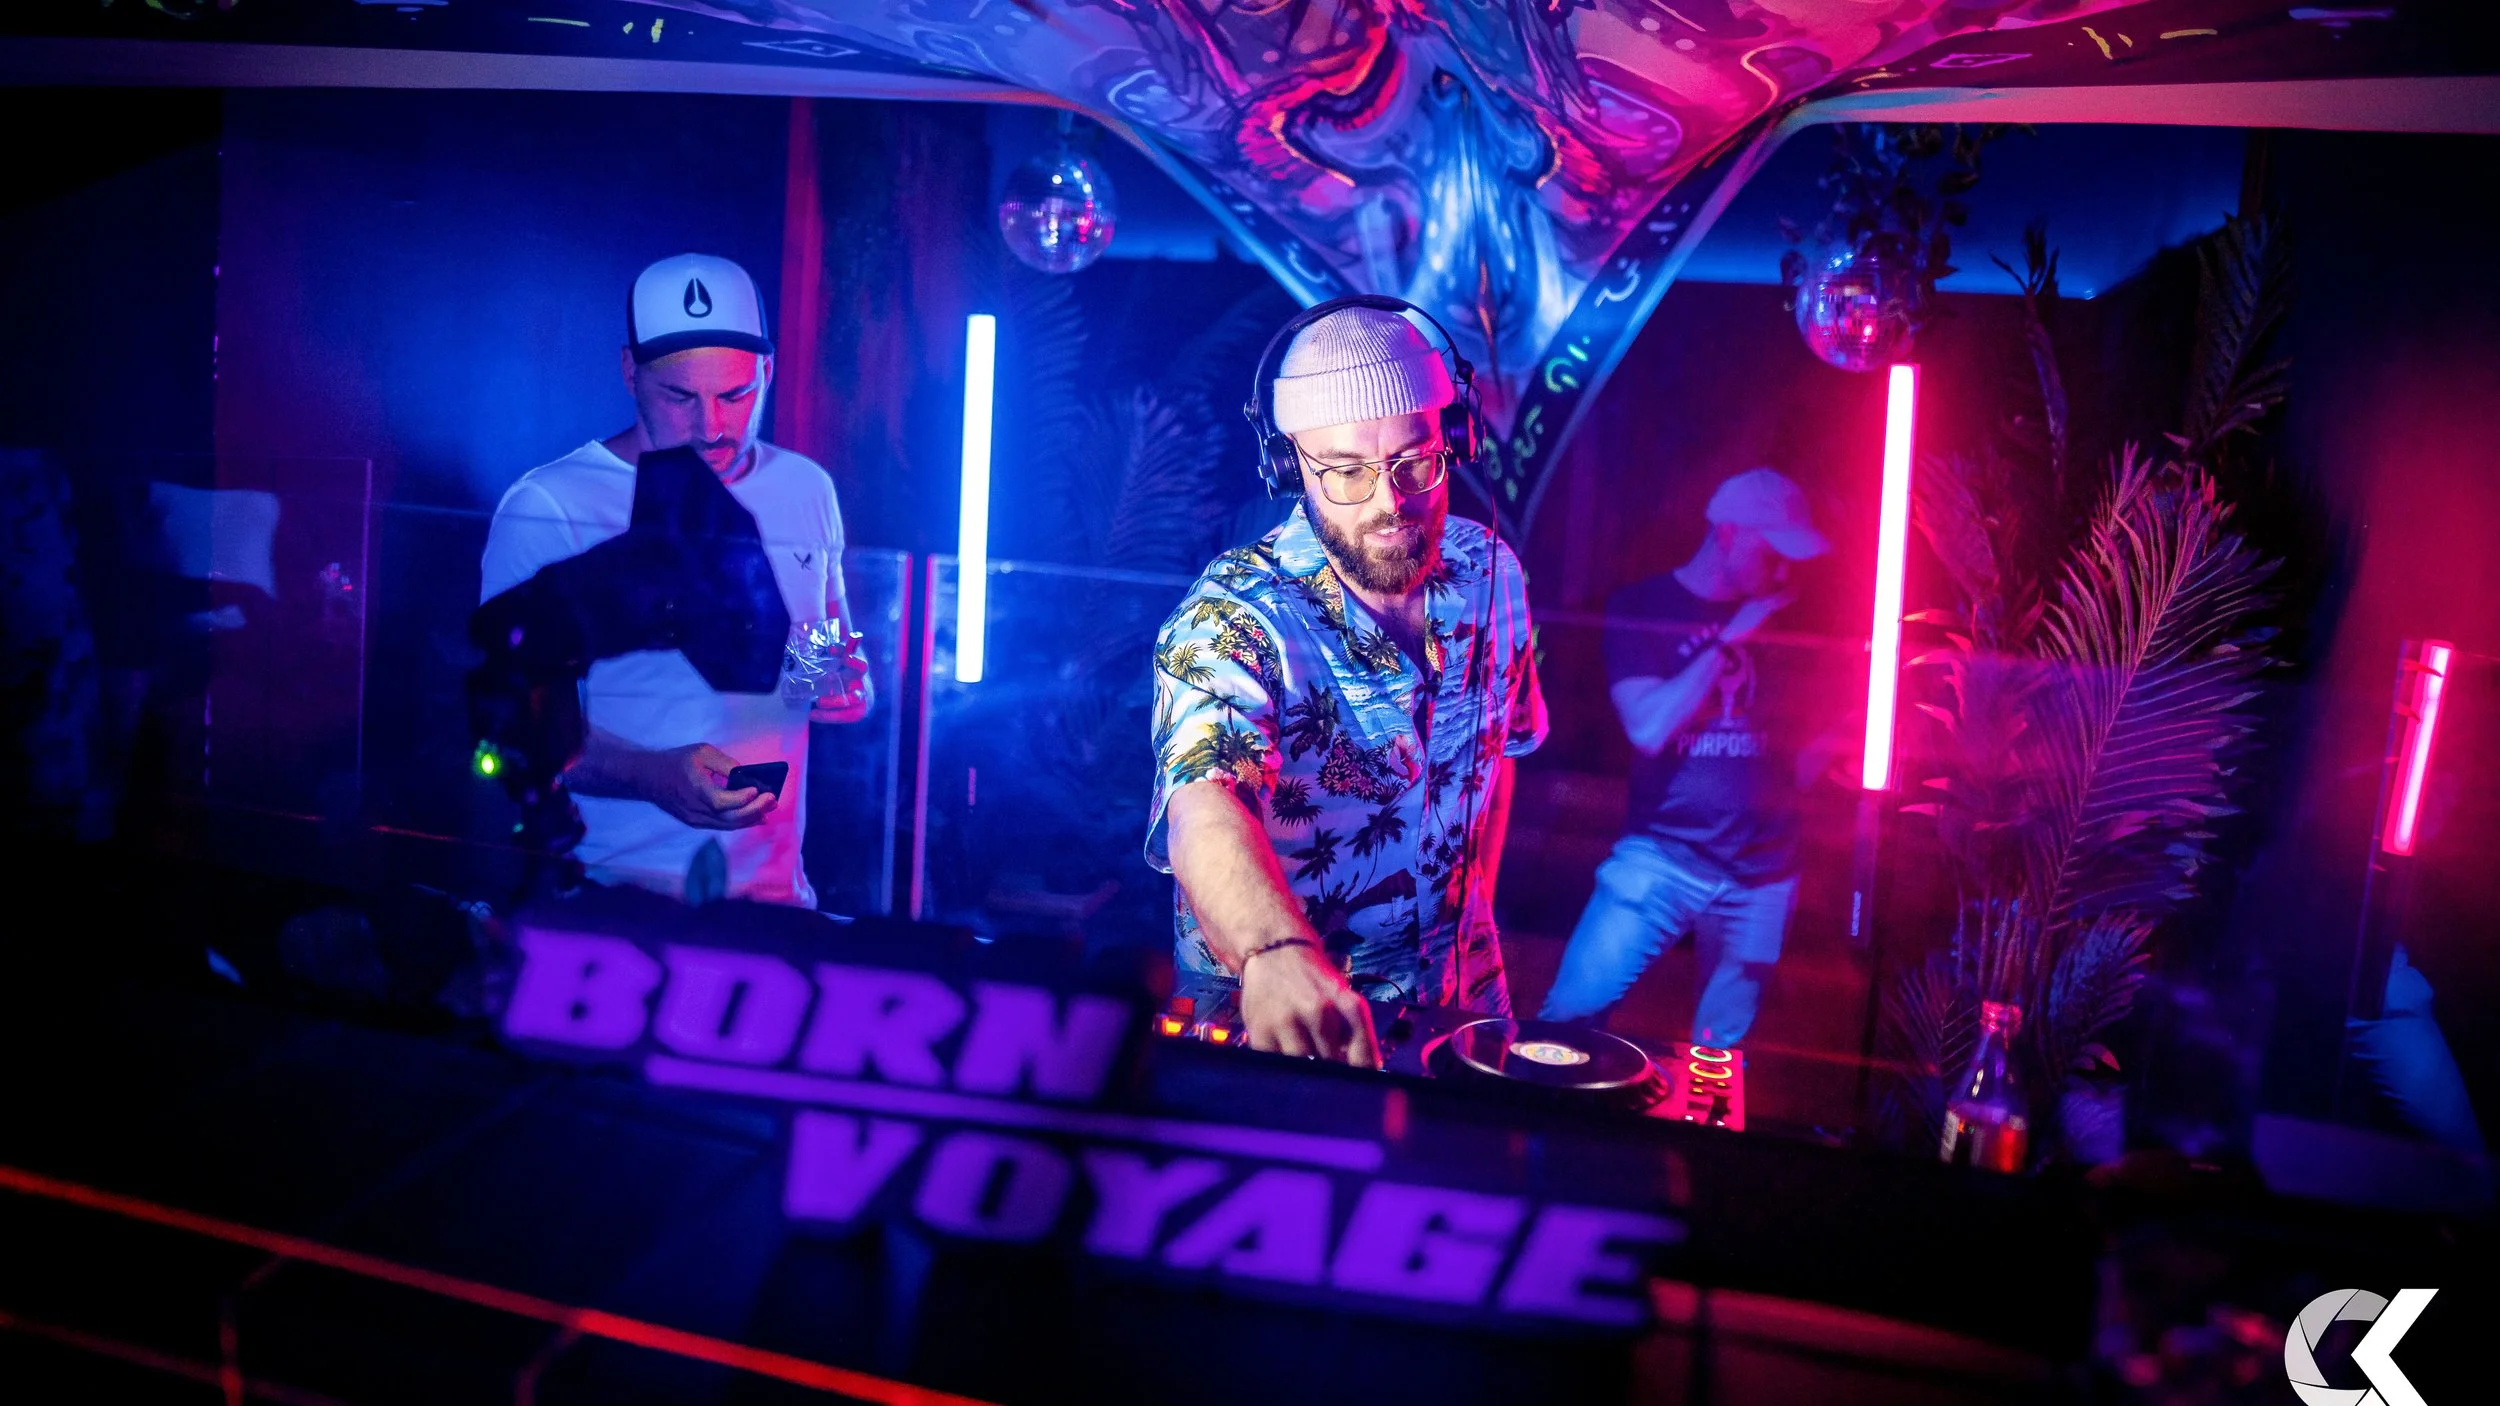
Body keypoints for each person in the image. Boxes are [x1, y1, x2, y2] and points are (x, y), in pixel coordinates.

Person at [1146, 301, 1547, 1066]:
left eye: (1414, 462)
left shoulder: (1493, 574)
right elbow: (1203, 806)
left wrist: (1472, 918)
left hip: (1465, 1015)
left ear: (1453, 440)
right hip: (1290, 1035)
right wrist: (1274, 954)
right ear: (1290, 463)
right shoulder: (1232, 618)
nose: (1388, 502)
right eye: (1346, 472)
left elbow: (1501, 757)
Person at [479, 253, 868, 907]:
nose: (712, 426)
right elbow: (507, 720)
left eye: (736, 395)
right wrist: (651, 773)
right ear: (630, 371)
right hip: (605, 899)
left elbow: (824, 652)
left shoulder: (806, 488)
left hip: (776, 903)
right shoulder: (548, 503)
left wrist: (839, 688)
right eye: (680, 397)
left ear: (767, 373)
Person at [1539, 467, 1834, 1047]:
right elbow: (1648, 726)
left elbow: (1797, 753)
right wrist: (1733, 638)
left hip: (1764, 873)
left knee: (1720, 1051)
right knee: (1566, 1020)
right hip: (1661, 858)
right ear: (1726, 536)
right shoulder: (1645, 605)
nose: (1782, 570)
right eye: (1771, 552)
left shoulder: (1787, 614)